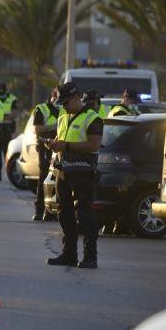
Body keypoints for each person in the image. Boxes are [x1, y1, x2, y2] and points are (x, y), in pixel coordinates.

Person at [46, 81, 103, 269]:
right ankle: (69, 254)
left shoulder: (92, 118)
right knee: (65, 215)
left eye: (66, 102)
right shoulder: (63, 117)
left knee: (85, 215)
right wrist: (53, 144)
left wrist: (66, 146)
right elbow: (61, 140)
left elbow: (93, 145)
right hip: (63, 172)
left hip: (82, 173)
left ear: (77, 98)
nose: (63, 106)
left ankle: (90, 257)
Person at [30, 89, 61, 221]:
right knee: (44, 177)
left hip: (59, 148)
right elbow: (37, 128)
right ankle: (39, 210)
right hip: (45, 147)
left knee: (58, 180)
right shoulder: (41, 108)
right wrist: (53, 127)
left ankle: (51, 212)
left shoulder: (65, 109)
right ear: (53, 96)